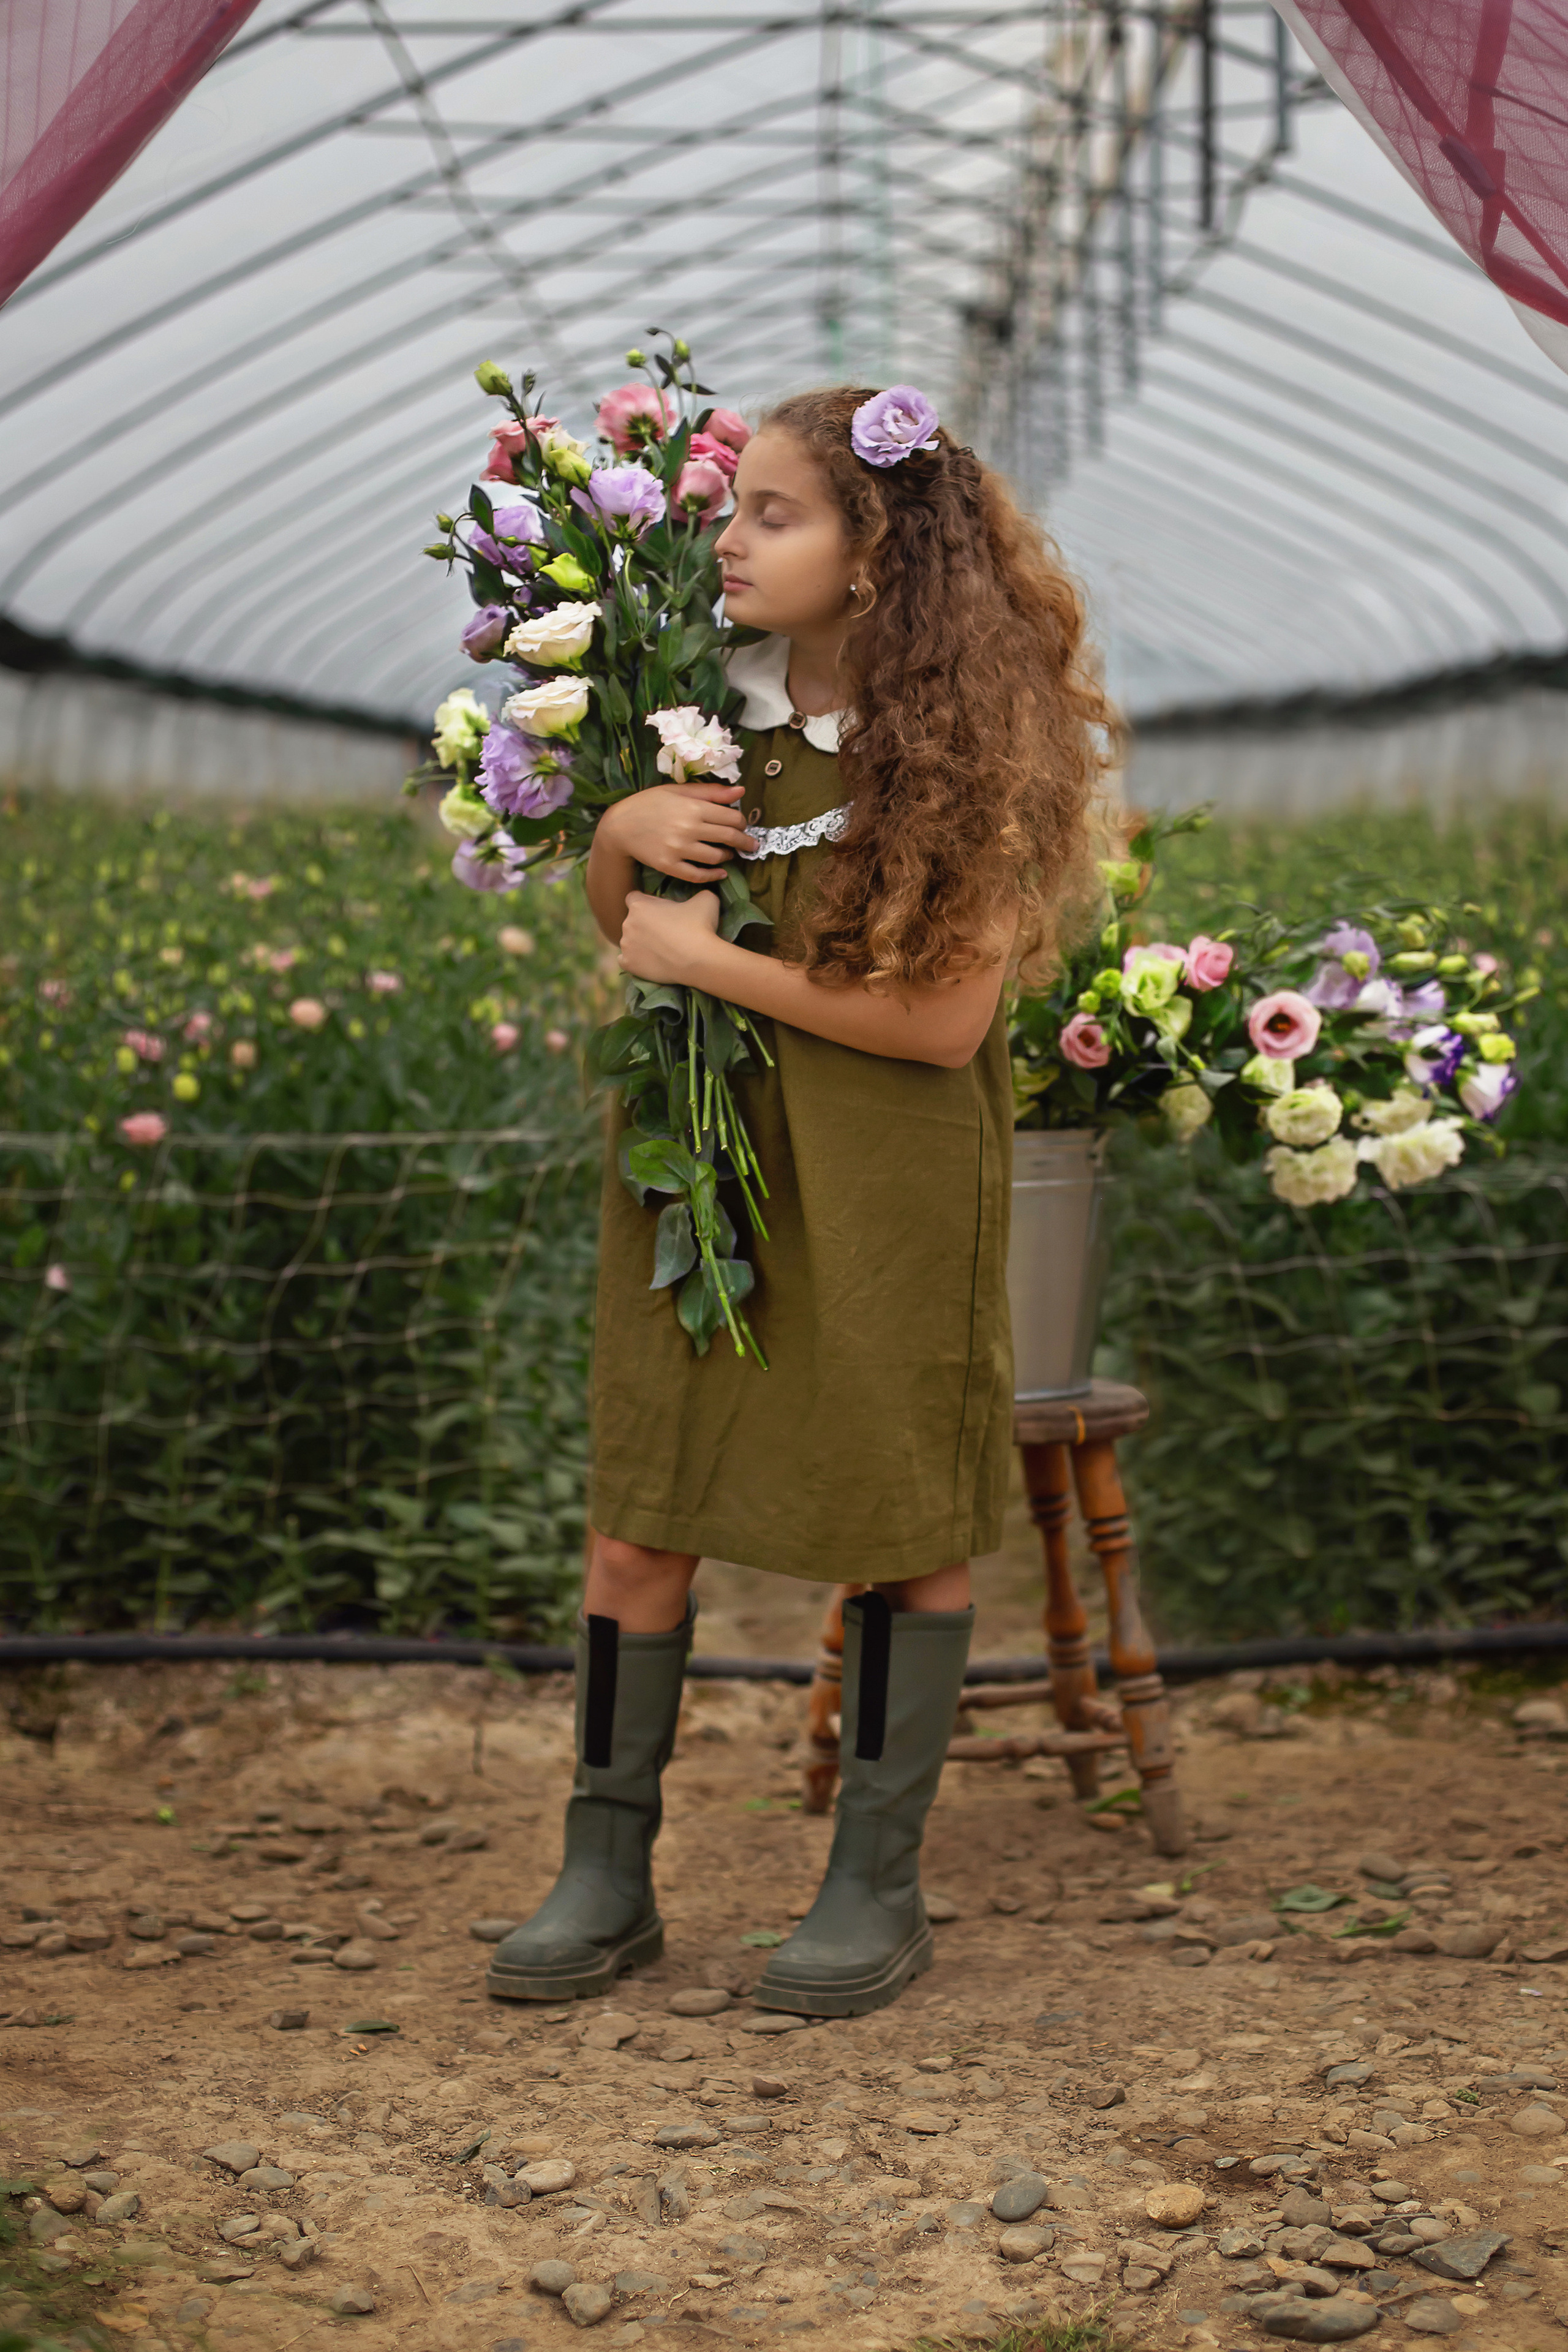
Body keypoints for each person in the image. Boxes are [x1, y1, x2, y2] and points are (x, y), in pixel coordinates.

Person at [485, 383, 1112, 2018]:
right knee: (643, 1507)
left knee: (899, 1522)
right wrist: (622, 831)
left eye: (778, 513)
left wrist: (706, 961)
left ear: (876, 552)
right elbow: (631, 928)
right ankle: (606, 1874)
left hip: (892, 1170)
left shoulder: (974, 745)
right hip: (701, 1156)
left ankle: (872, 1892)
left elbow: (945, 1025)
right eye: (729, 506)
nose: (732, 538)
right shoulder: (699, 705)